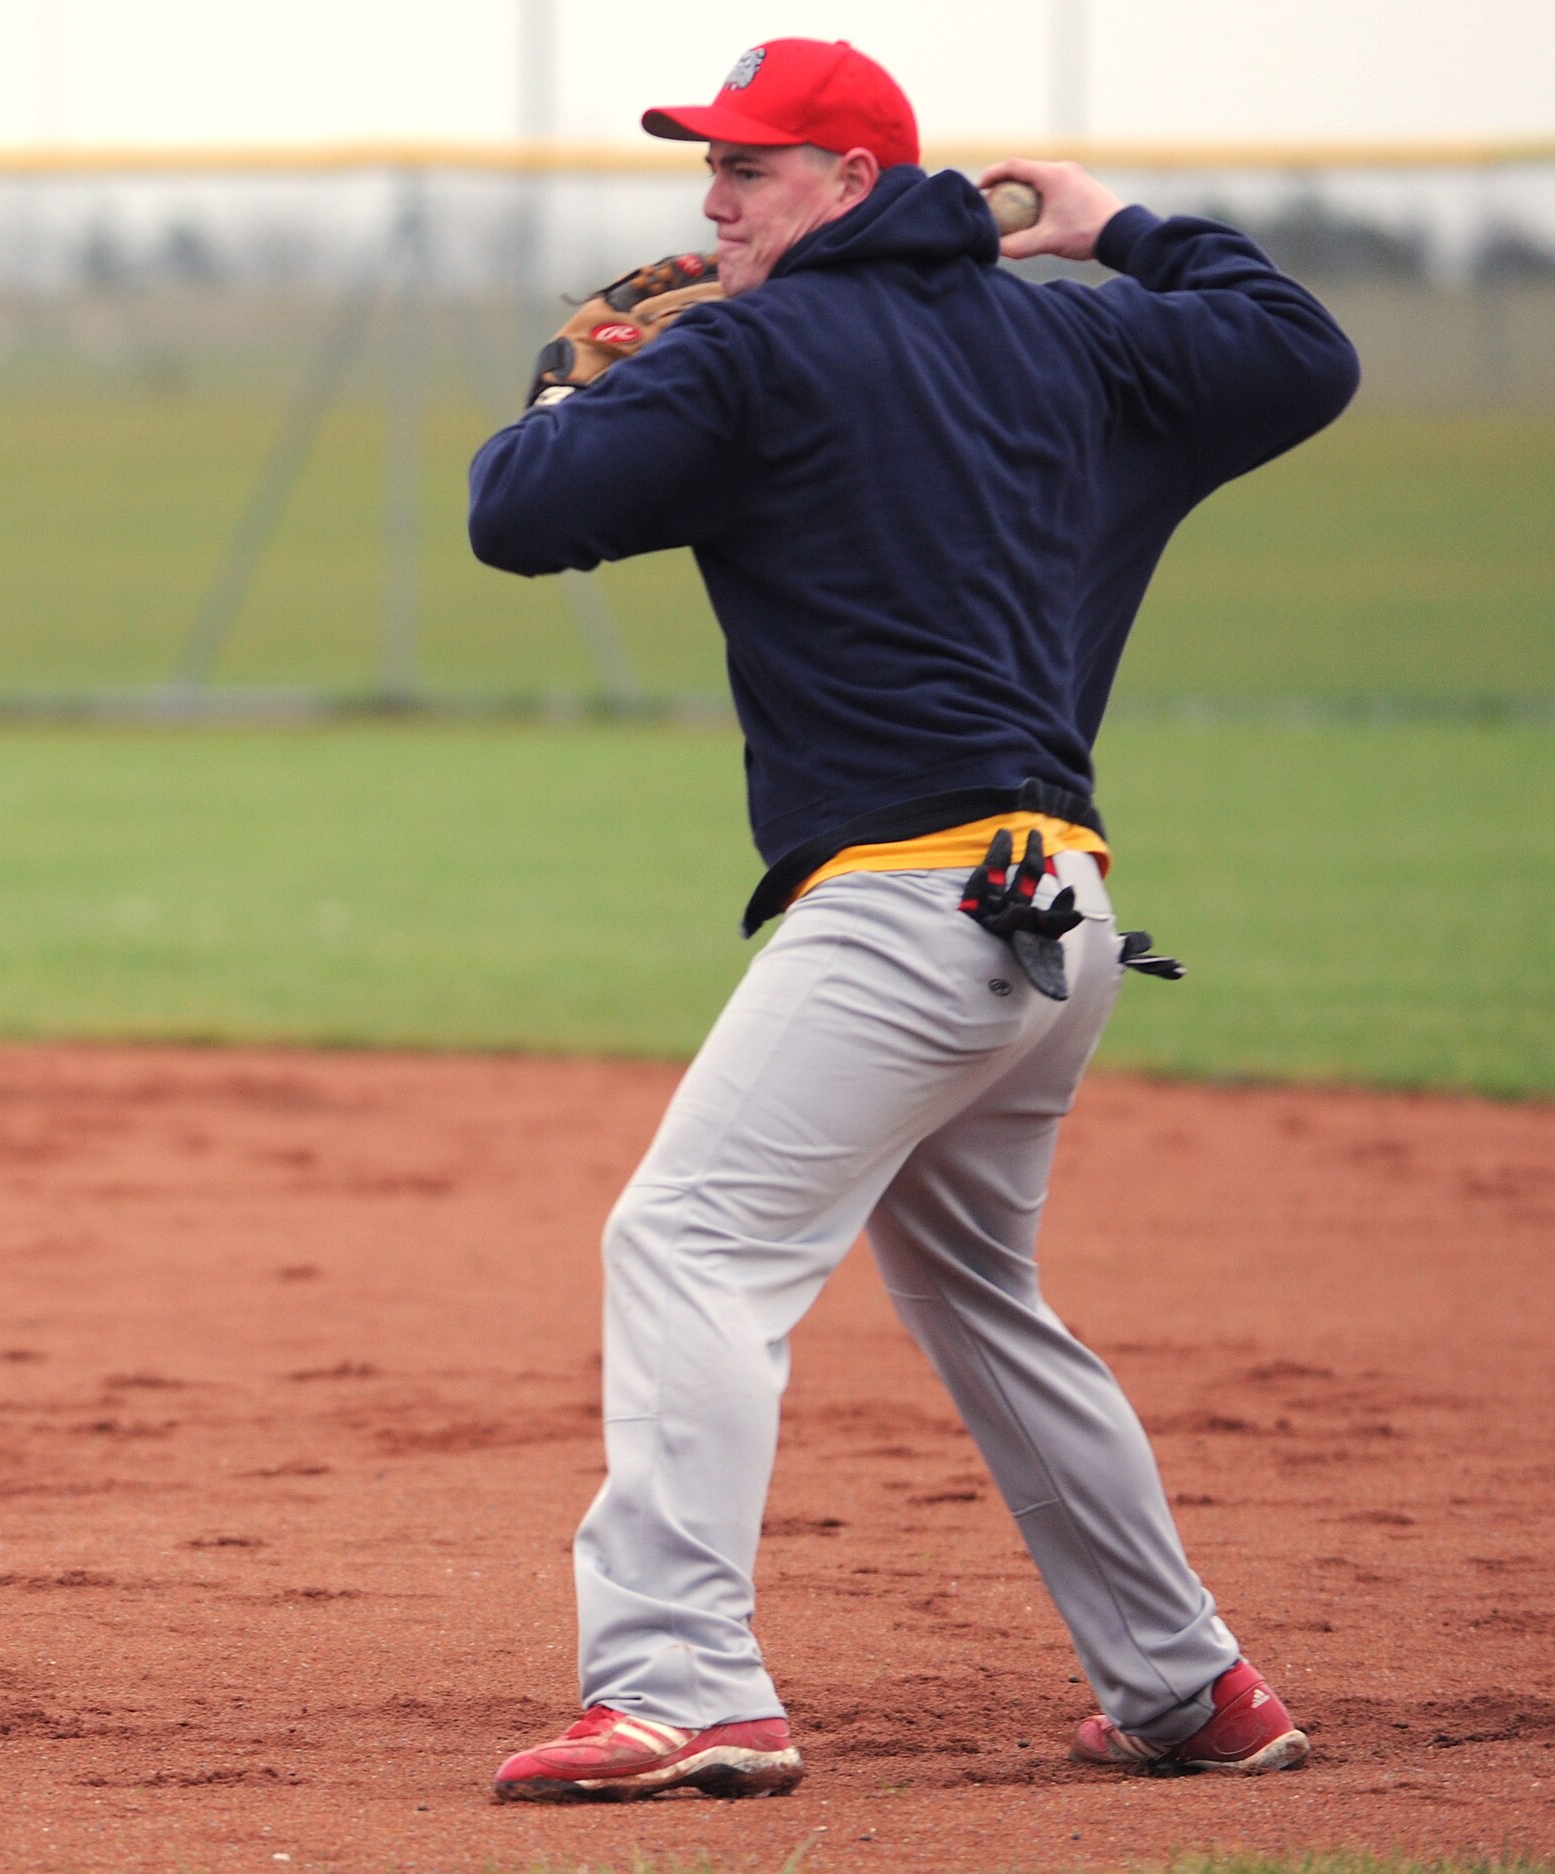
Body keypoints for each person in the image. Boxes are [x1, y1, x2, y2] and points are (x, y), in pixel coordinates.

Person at [468, 36, 1358, 1804]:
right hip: (1060, 914)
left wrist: (573, 390)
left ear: (854, 182)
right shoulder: (1075, 328)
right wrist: (1124, 230)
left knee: (689, 1246)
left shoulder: (755, 344)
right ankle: (1188, 1687)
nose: (712, 204)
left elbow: (520, 512)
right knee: (978, 1290)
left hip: (910, 905)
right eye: (707, 168)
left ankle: (684, 1684)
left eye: (751, 170)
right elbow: (1304, 357)